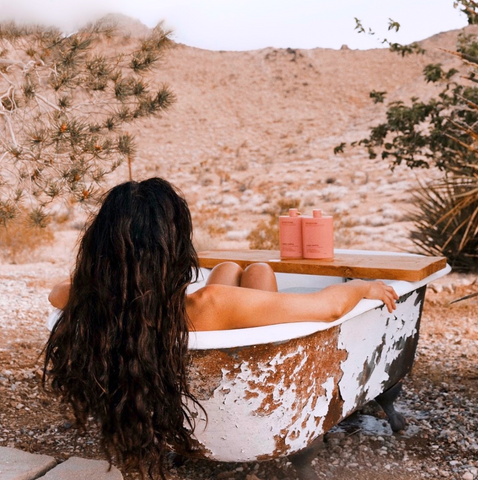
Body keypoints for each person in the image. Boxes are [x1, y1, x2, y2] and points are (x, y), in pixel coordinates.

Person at [45, 177, 398, 479]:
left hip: (167, 395)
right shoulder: (207, 305)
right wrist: (364, 287)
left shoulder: (90, 302)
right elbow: (328, 308)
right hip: (225, 377)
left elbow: (58, 292)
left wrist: (111, 269)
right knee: (257, 272)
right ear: (174, 246)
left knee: (235, 268)